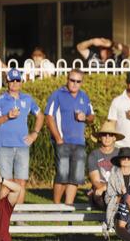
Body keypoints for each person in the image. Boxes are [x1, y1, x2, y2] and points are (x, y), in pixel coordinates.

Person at [0, 68, 44, 204]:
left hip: (22, 145)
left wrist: (34, 134)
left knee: (20, 182)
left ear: (21, 82)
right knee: (6, 183)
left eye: (18, 80)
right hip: (4, 145)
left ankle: (19, 219)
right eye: (12, 80)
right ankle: (2, 215)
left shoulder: (27, 99)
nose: (15, 83)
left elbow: (40, 116)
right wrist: (7, 117)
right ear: (7, 81)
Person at [45, 68, 94, 205]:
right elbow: (49, 117)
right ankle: (56, 208)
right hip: (63, 141)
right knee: (62, 175)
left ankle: (68, 208)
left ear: (81, 82)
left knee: (76, 177)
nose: (74, 84)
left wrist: (86, 117)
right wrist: (58, 138)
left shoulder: (84, 96)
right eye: (72, 80)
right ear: (67, 80)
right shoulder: (58, 94)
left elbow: (92, 116)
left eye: (78, 81)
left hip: (80, 142)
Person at [87, 121, 124, 210]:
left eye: (110, 135)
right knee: (99, 194)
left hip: (117, 190)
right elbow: (96, 181)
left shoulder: (120, 154)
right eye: (104, 135)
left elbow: (123, 178)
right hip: (101, 193)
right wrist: (104, 188)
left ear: (114, 138)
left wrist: (106, 187)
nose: (107, 137)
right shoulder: (94, 155)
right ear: (100, 137)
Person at [105, 147, 130, 231]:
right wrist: (121, 196)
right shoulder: (113, 177)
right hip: (117, 210)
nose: (126, 159)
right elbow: (107, 198)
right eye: (123, 157)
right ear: (119, 160)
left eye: (129, 158)